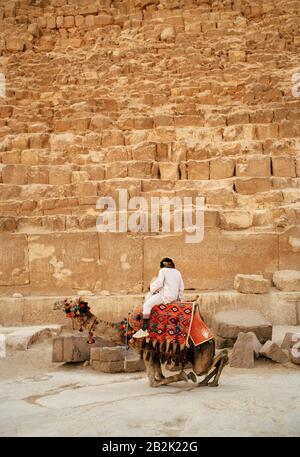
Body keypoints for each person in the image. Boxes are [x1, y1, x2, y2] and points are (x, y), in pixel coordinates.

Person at [133, 257, 184, 338]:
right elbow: (181, 287)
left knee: (146, 305)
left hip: (165, 296)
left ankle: (144, 330)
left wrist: (151, 289)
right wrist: (179, 298)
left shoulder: (163, 270)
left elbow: (159, 283)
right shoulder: (178, 272)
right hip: (174, 297)